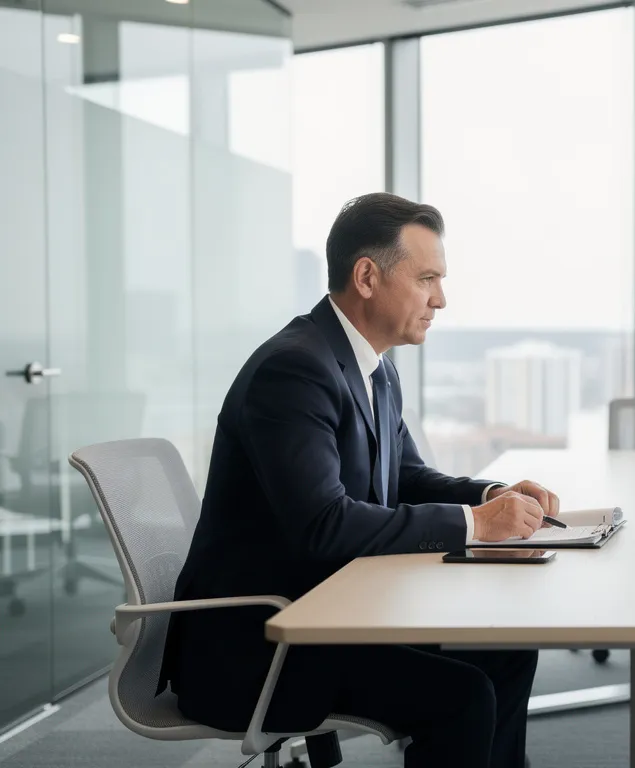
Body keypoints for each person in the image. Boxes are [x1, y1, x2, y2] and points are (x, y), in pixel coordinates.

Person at [161, 193, 556, 768]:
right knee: (462, 696)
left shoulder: (373, 366)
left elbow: (408, 476)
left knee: (505, 648)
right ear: (367, 276)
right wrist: (475, 524)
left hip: (333, 611)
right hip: (262, 645)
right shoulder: (294, 370)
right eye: (426, 279)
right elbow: (323, 525)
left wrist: (492, 497)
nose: (440, 300)